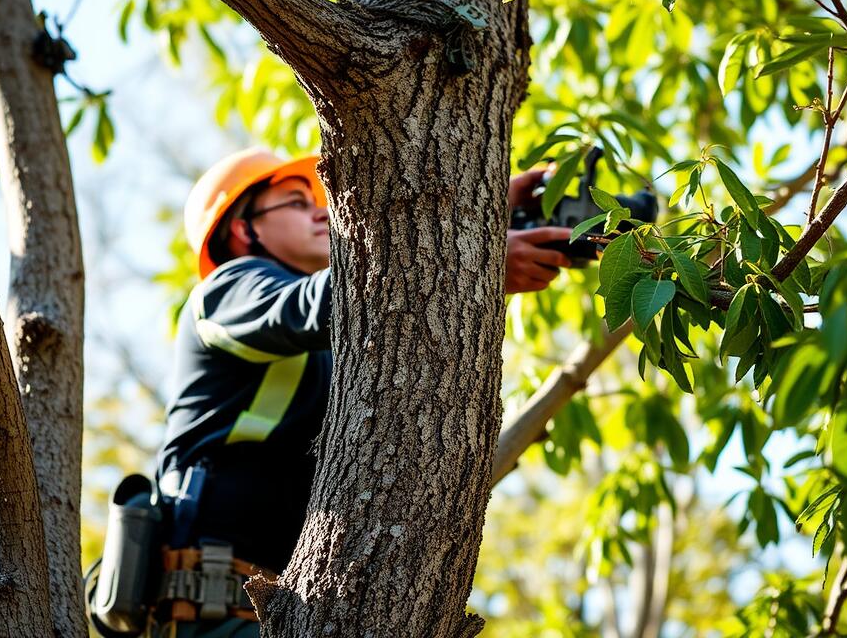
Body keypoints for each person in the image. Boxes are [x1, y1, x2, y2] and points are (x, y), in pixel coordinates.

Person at [149, 148, 572, 636]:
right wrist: (471, 258)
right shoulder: (229, 290)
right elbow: (313, 303)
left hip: (288, 608)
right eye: (294, 201)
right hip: (211, 614)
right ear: (244, 230)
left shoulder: (338, 337)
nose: (321, 210)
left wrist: (481, 209)